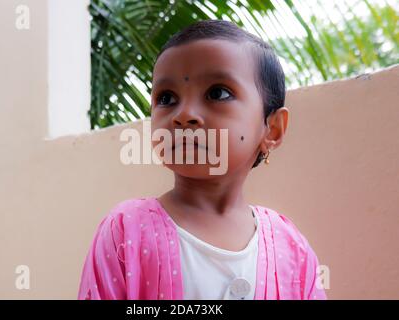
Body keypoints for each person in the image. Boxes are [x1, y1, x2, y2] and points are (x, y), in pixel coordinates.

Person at [78, 19, 327, 300]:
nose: (183, 114)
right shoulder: (126, 231)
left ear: (272, 129)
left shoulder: (292, 249)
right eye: (167, 98)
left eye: (217, 93)